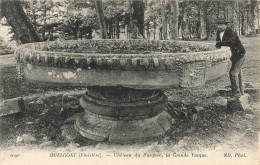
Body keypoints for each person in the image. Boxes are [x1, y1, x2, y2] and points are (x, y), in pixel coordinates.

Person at [215, 18, 246, 97]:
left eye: (221, 25)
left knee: (233, 73)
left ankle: (236, 93)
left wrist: (219, 43)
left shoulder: (231, 32)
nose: (219, 26)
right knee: (238, 73)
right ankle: (241, 92)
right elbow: (217, 42)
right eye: (218, 24)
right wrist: (218, 43)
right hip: (232, 55)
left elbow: (231, 42)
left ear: (226, 25)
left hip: (239, 54)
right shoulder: (219, 31)